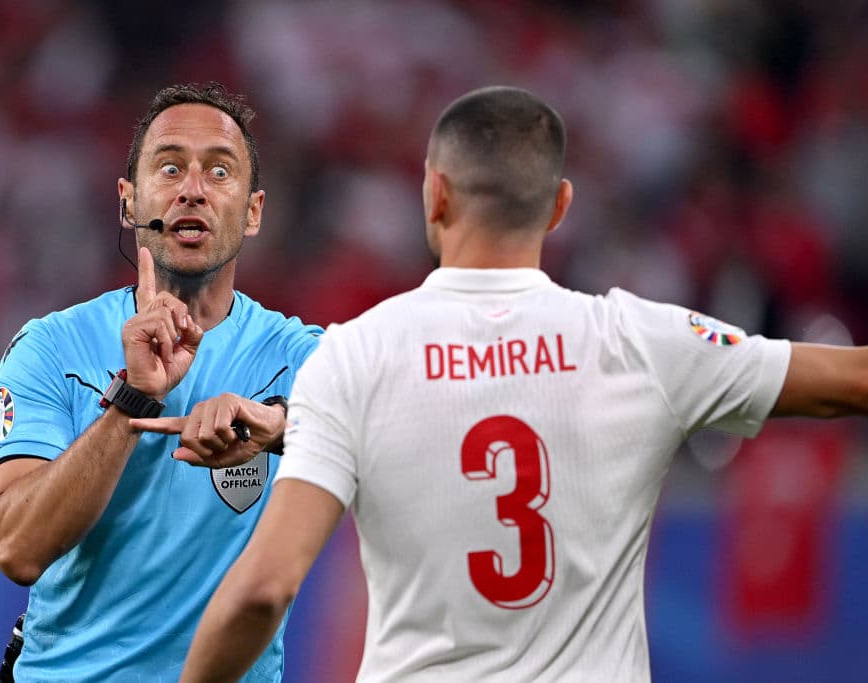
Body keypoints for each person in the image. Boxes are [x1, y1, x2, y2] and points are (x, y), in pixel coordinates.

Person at [159, 86, 868, 682]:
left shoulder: (354, 356)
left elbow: (264, 589)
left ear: (435, 194)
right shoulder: (642, 342)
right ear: (559, 205)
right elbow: (852, 379)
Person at [0, 82, 321, 682]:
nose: (192, 189)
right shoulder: (51, 348)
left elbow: (404, 439)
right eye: (170, 168)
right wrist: (131, 401)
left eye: (219, 171)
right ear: (128, 202)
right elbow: (17, 549)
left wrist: (278, 427)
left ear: (253, 212)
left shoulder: (298, 357)